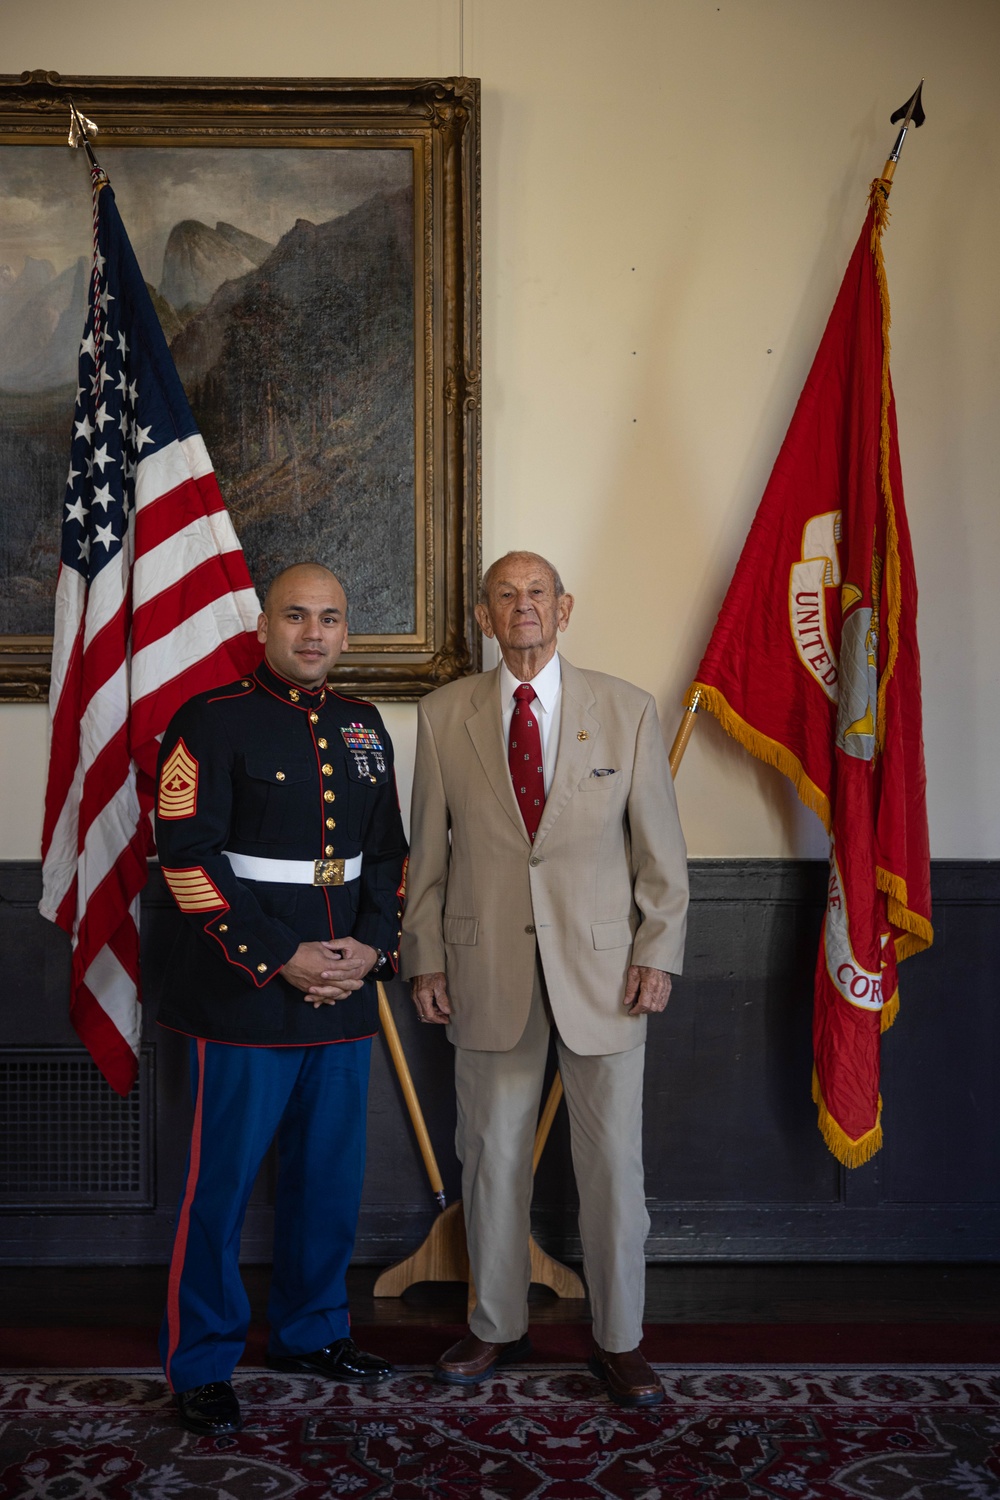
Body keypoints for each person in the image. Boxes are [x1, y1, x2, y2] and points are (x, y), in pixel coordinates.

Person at [401, 551, 688, 1408]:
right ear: (484, 617)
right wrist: (424, 957)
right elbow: (429, 857)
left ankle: (620, 1339)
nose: (521, 608)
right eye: (504, 596)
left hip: (607, 976)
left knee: (612, 1166)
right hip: (484, 968)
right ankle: (494, 1326)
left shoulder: (627, 710)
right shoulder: (444, 714)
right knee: (489, 1158)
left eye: (536, 594)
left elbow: (660, 855)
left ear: (565, 609)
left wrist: (657, 953)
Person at [154, 562, 407, 1436]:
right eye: (295, 616)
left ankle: (310, 1333)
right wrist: (279, 956)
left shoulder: (367, 726)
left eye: (329, 618)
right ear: (263, 626)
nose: (312, 634)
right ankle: (201, 1362)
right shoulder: (211, 722)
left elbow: (389, 858)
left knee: (328, 1184)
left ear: (346, 632)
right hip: (243, 995)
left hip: (342, 989)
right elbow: (188, 860)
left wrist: (373, 949)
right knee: (218, 1191)